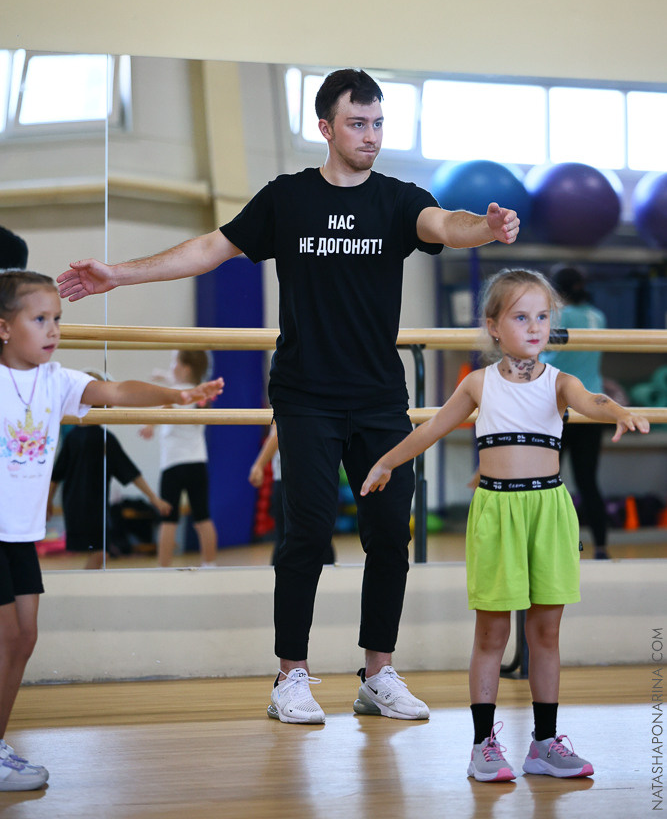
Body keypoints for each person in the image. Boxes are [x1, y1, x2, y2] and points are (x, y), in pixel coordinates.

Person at [56, 67, 520, 726]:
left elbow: (446, 223)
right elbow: (209, 249)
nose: (370, 135)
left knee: (389, 533)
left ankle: (378, 672)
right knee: (305, 534)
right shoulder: (287, 199)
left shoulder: (394, 200)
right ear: (326, 128)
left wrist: (488, 226)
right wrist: (117, 276)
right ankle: (290, 676)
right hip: (305, 397)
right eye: (357, 123)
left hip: (379, 399)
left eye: (378, 123)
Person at [361, 268, 650, 781]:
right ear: (494, 326)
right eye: (521, 316)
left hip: (549, 510)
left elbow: (594, 402)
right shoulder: (478, 383)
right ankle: (482, 744)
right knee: (492, 631)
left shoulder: (562, 381)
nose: (535, 326)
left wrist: (619, 411)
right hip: (498, 511)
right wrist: (386, 461)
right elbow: (430, 428)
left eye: (542, 316)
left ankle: (543, 743)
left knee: (546, 629)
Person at [0, 269, 223, 789]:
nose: (53, 329)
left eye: (57, 318)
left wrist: (177, 396)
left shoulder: (56, 381)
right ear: (4, 328)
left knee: (26, 634)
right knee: (8, 634)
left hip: (19, 536)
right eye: (39, 319)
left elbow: (117, 389)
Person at [48, 371, 172, 569]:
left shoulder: (75, 437)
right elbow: (131, 472)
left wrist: (47, 504)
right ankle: (84, 589)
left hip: (76, 505)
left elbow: (55, 476)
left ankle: (85, 587)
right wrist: (153, 499)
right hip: (91, 508)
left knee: (99, 552)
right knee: (100, 552)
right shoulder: (101, 439)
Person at [542, 266, 610, 558]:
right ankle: (602, 547)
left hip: (560, 407)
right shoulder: (599, 316)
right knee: (588, 481)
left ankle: (553, 548)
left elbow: (545, 356)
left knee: (547, 481)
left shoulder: (560, 316)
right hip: (593, 407)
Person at [139, 350, 219, 567]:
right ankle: (210, 564)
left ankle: (164, 567)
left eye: (173, 362)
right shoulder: (199, 393)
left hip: (173, 465)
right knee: (202, 518)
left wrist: (149, 426)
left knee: (168, 520)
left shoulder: (174, 393)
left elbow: (167, 406)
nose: (170, 367)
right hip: (197, 463)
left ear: (185, 369)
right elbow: (181, 385)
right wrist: (164, 375)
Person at [248, 424, 335, 566]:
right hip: (306, 473)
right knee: (316, 535)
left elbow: (278, 432)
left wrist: (259, 464)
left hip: (293, 475)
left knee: (292, 538)